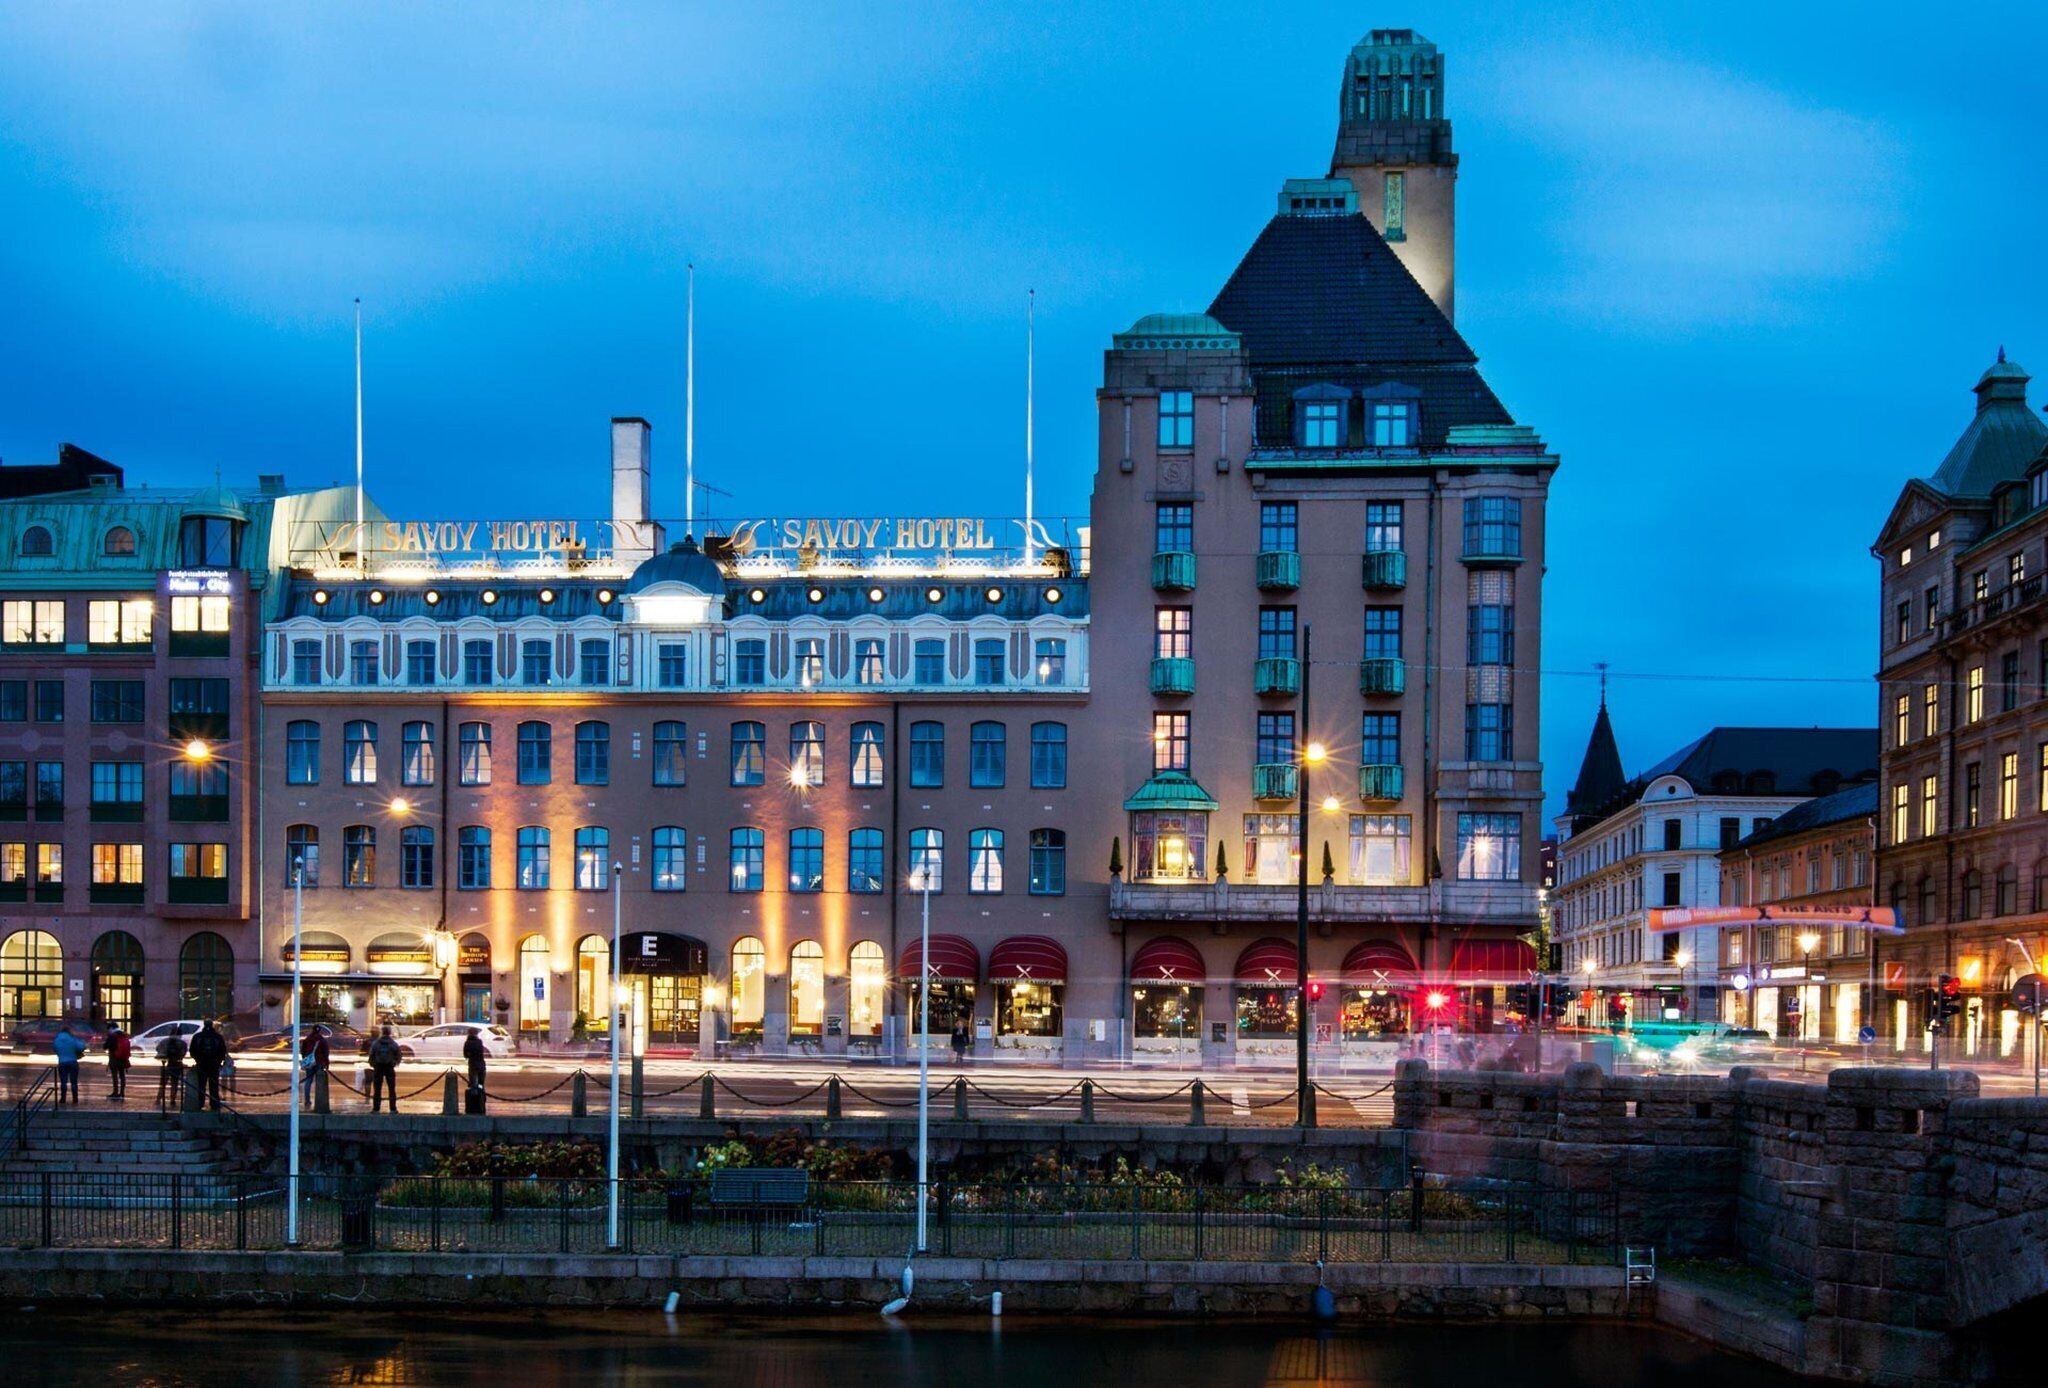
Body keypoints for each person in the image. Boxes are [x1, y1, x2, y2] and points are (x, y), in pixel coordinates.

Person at [188, 1018, 228, 1111]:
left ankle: (200, 1103)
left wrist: (198, 1059)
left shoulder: (197, 1036)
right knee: (214, 1086)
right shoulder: (218, 1037)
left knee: (201, 1085)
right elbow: (222, 1051)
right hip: (214, 1065)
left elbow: (192, 1051)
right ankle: (214, 1104)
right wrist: (218, 1061)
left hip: (201, 1064)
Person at [366, 1024, 403, 1112]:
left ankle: (376, 1108)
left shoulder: (376, 1043)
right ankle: (393, 1108)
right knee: (391, 1088)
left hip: (378, 1067)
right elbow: (398, 1054)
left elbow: (371, 1054)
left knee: (377, 1088)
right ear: (389, 1033)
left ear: (382, 1032)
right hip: (389, 1067)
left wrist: (373, 1064)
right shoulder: (393, 1043)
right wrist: (395, 1063)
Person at [51, 1024, 85, 1104]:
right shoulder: (72, 1038)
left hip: (62, 1062)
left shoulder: (57, 1039)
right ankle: (75, 1099)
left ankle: (63, 1098)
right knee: (74, 1082)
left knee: (63, 1081)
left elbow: (54, 1048)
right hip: (73, 1062)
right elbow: (81, 1047)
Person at [156, 1032, 187, 1112]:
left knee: (163, 1083)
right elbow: (183, 1053)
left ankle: (158, 1099)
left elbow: (158, 1049)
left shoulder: (164, 1041)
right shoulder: (182, 1043)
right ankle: (172, 1100)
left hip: (166, 1064)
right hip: (177, 1065)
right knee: (174, 1084)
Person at [300, 1027, 331, 1107]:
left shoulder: (307, 1039)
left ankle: (307, 1100)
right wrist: (326, 1063)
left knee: (308, 1081)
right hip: (319, 1062)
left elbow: (303, 1051)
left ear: (312, 1030)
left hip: (310, 1063)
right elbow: (326, 1053)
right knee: (320, 1081)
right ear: (320, 1031)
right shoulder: (322, 1040)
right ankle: (320, 1101)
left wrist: (306, 1059)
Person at [462, 1027, 488, 1109]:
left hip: (473, 1065)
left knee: (474, 1084)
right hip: (481, 1064)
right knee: (481, 1084)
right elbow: (481, 1052)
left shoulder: (467, 1042)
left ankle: (474, 1104)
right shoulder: (479, 1042)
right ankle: (482, 1101)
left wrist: (470, 1054)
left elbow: (465, 1055)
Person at [105, 1024, 131, 1101]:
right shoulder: (124, 1035)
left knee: (115, 1075)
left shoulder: (112, 1036)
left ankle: (115, 1092)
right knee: (122, 1075)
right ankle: (122, 1092)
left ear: (111, 1028)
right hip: (123, 1058)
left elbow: (106, 1046)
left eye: (108, 1029)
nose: (108, 1031)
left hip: (114, 1058)